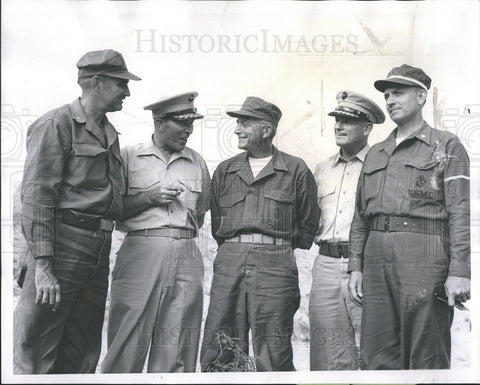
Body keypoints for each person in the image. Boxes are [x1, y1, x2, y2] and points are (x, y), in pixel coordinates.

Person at [14, 49, 141, 374]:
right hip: (60, 248)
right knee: (37, 351)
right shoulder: (57, 124)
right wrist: (43, 267)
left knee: (83, 349)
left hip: (97, 252)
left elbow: (111, 200)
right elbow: (37, 196)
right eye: (120, 84)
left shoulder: (110, 133)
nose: (126, 92)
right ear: (96, 82)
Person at [348, 64, 470, 369]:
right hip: (376, 257)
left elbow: (459, 212)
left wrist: (460, 271)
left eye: (398, 92)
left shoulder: (447, 145)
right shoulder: (376, 152)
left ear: (420, 96)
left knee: (426, 350)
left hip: (425, 256)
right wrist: (355, 267)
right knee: (376, 355)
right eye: (387, 94)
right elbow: (361, 216)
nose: (389, 100)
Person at [200, 96, 319, 372]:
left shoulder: (296, 169)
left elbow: (308, 222)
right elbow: (218, 219)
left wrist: (274, 244)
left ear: (266, 130)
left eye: (245, 123)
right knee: (220, 346)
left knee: (274, 350)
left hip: (276, 265)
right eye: (237, 123)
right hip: (230, 261)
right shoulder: (226, 170)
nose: (237, 129)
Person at [100, 92, 211, 373]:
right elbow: (112, 210)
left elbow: (202, 211)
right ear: (160, 122)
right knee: (127, 343)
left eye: (192, 125)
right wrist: (150, 197)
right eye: (182, 124)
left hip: (186, 254)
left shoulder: (197, 163)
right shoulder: (128, 157)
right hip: (140, 252)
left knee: (177, 348)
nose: (188, 131)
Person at [309, 90, 385, 370]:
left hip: (366, 266)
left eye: (348, 121)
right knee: (326, 354)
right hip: (326, 264)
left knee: (372, 352)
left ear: (367, 128)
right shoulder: (321, 169)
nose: (339, 126)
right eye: (336, 120)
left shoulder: (381, 167)